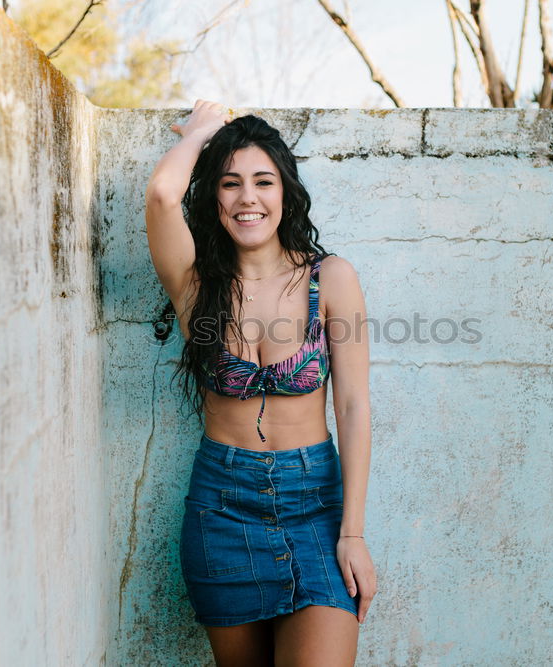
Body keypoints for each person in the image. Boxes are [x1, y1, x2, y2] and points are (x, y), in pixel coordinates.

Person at [144, 99, 377, 666]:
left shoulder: (331, 278)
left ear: (285, 192)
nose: (248, 198)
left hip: (316, 508)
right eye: (230, 183)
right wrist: (201, 132)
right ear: (214, 197)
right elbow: (160, 197)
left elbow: (351, 404)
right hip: (221, 509)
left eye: (263, 181)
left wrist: (352, 532)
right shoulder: (196, 287)